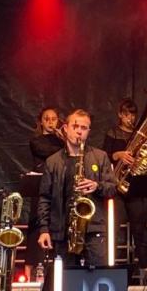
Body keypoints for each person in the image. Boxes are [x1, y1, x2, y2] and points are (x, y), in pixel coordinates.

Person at [37, 109, 117, 266]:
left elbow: (113, 188)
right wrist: (44, 230)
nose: (79, 131)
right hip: (62, 232)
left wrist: (97, 186)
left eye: (84, 128)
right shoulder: (53, 161)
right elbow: (44, 198)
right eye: (75, 127)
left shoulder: (100, 157)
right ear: (66, 128)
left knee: (96, 281)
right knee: (63, 283)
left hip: (93, 230)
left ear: (88, 131)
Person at [102, 98, 147, 274]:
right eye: (126, 114)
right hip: (117, 187)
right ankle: (109, 267)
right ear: (119, 115)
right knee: (112, 229)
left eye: (132, 114)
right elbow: (103, 156)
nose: (130, 117)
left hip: (135, 188)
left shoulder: (143, 133)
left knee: (140, 231)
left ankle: (146, 270)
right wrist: (118, 155)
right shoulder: (112, 133)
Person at [26, 107, 65, 277]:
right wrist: (66, 144)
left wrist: (65, 140)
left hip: (59, 186)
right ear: (41, 121)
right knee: (37, 224)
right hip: (41, 185)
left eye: (54, 119)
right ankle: (31, 265)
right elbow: (47, 153)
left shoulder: (62, 141)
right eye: (47, 119)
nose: (50, 122)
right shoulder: (36, 140)